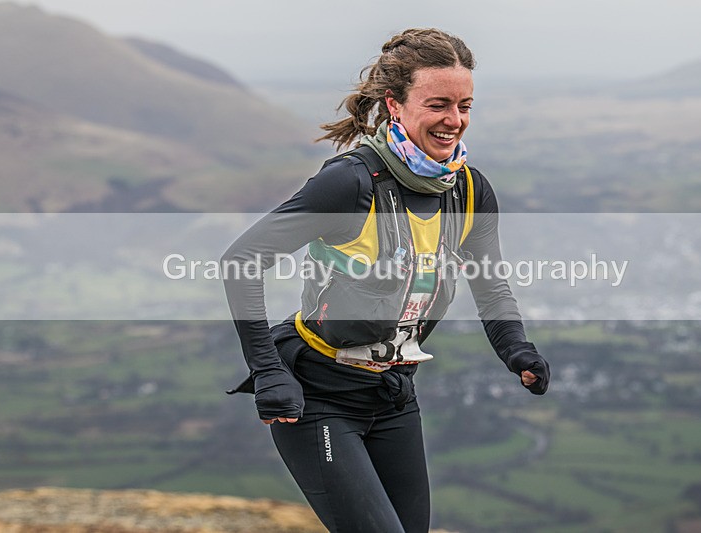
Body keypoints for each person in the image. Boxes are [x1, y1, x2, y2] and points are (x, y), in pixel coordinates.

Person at [221, 28, 550, 533]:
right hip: (319, 395)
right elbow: (241, 260)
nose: (454, 120)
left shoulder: (467, 189)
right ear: (394, 104)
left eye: (464, 106)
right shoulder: (351, 182)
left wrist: (517, 350)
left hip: (394, 393)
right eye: (438, 104)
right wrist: (267, 370)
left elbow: (490, 283)